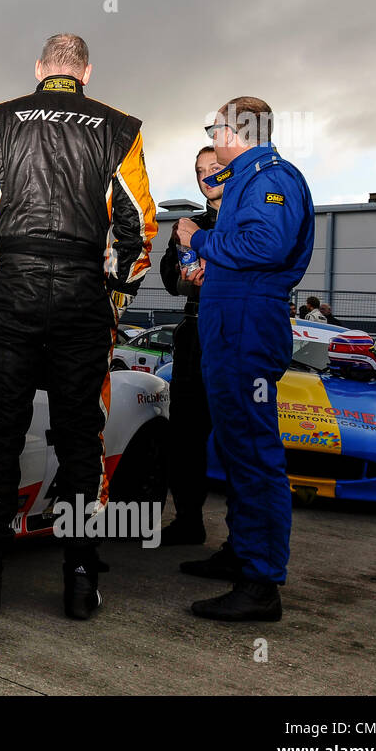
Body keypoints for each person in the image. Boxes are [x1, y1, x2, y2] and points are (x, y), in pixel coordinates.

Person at [0, 33, 157, 618]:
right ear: (85, 72)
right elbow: (139, 227)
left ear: (40, 69)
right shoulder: (120, 127)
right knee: (80, 437)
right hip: (82, 295)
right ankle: (82, 581)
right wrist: (116, 295)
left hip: (10, 289)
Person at [175, 96, 314, 621]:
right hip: (231, 317)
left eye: (216, 126)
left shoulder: (268, 177)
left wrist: (200, 238)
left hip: (248, 323)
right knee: (235, 447)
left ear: (237, 130)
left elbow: (266, 244)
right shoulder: (245, 180)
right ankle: (242, 553)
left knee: (254, 451)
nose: (214, 134)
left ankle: (260, 584)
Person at [157, 147, 223, 546]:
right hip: (195, 333)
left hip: (237, 334)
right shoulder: (187, 224)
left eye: (215, 168)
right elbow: (170, 278)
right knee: (185, 434)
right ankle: (187, 520)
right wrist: (189, 281)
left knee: (240, 436)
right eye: (200, 170)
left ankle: (243, 541)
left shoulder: (253, 218)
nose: (206, 176)